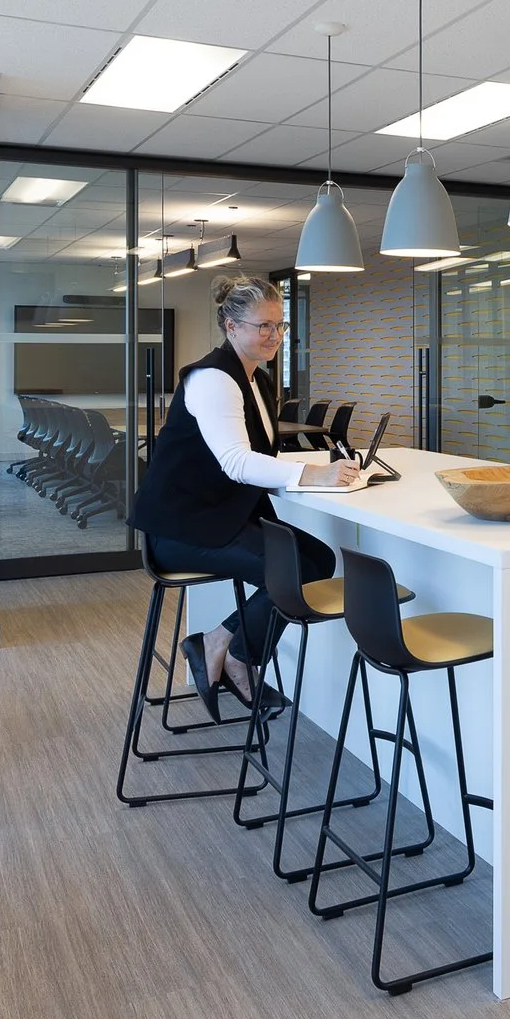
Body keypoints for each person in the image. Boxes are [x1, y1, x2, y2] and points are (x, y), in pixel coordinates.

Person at [128, 273, 362, 707]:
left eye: (280, 325)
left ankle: (221, 643)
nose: (274, 335)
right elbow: (235, 462)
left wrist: (324, 470)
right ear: (232, 327)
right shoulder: (214, 378)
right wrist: (313, 474)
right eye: (263, 326)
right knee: (297, 571)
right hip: (182, 529)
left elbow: (252, 454)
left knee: (320, 560)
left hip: (219, 517)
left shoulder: (258, 379)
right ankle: (234, 656)